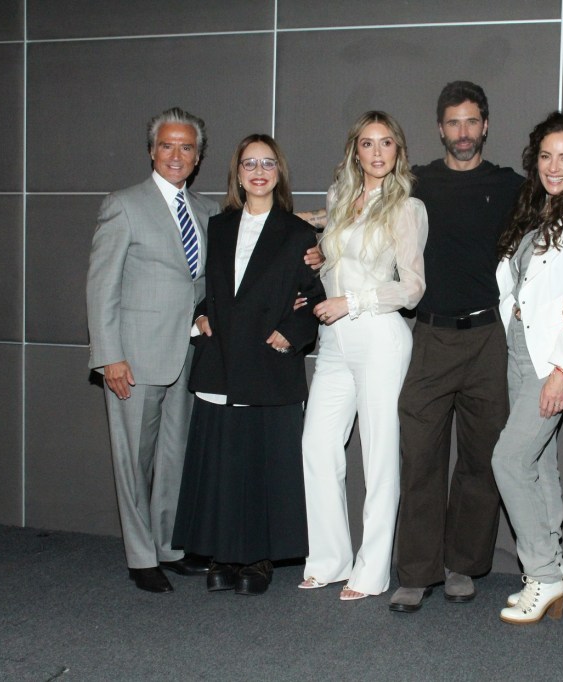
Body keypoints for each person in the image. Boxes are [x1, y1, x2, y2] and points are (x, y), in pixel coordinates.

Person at [389, 81, 523, 612]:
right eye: (453, 122)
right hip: (430, 334)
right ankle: (416, 572)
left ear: (485, 126)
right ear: (440, 128)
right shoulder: (414, 182)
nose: (462, 132)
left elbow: (561, 218)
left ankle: (462, 565)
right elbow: (362, 217)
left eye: (471, 122)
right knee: (420, 456)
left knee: (481, 459)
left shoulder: (510, 186)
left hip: (489, 337)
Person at [171, 134, 324, 596]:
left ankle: (257, 558)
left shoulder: (297, 233)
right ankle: (221, 554)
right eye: (249, 163)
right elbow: (210, 290)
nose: (259, 171)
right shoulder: (219, 227)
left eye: (268, 163)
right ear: (238, 174)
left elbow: (312, 298)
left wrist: (293, 332)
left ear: (279, 173)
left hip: (267, 366)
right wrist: (201, 315)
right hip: (220, 363)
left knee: (262, 465)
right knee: (222, 463)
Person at [86, 107, 219, 593]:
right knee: (133, 462)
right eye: (167, 145)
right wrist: (109, 356)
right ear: (151, 151)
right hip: (134, 359)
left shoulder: (206, 212)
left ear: (198, 157)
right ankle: (140, 557)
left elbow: (204, 282)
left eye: (186, 147)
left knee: (175, 458)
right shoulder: (123, 205)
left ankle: (170, 547)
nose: (176, 155)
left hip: (186, 356)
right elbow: (101, 286)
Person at [300, 111, 428, 601]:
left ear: (398, 151)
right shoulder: (339, 197)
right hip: (334, 340)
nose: (377, 152)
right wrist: (319, 256)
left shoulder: (407, 208)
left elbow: (412, 288)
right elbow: (337, 256)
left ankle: (372, 572)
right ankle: (330, 560)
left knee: (378, 457)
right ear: (355, 150)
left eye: (386, 143)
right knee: (317, 447)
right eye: (368, 143)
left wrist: (351, 301)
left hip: (378, 336)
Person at [491, 111, 563, 624]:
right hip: (521, 347)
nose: (554, 167)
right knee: (539, 462)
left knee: (508, 461)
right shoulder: (537, 211)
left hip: (553, 355)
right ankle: (550, 569)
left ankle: (541, 573)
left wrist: (561, 370)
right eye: (545, 156)